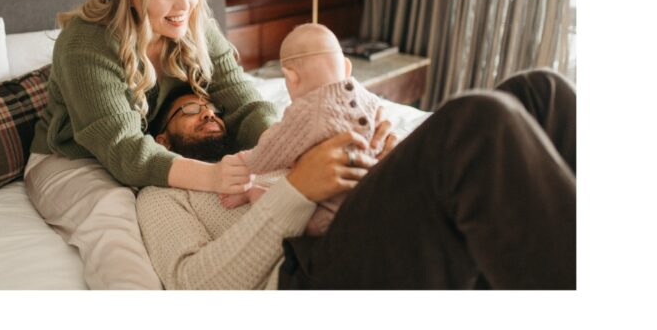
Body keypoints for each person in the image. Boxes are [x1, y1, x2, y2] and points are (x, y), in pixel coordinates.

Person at [136, 68, 576, 289]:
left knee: (541, 90)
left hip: (360, 224)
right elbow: (194, 286)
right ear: (162, 138)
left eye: (211, 108)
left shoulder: (265, 149)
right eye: (191, 110)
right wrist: (295, 191)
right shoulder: (163, 195)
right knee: (481, 123)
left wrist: (389, 163)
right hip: (305, 273)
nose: (209, 114)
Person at [23, 0, 278, 287]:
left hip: (155, 149)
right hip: (73, 160)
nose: (184, 5)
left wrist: (281, 143)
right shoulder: (86, 42)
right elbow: (125, 149)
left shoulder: (194, 23)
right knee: (118, 231)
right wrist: (214, 176)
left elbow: (243, 101)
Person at [219, 23, 393, 236]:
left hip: (335, 212)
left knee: (289, 210)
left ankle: (253, 194)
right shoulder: (370, 100)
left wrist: (246, 162)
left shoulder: (305, 110)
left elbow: (271, 151)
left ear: (291, 77)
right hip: (380, 193)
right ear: (347, 67)